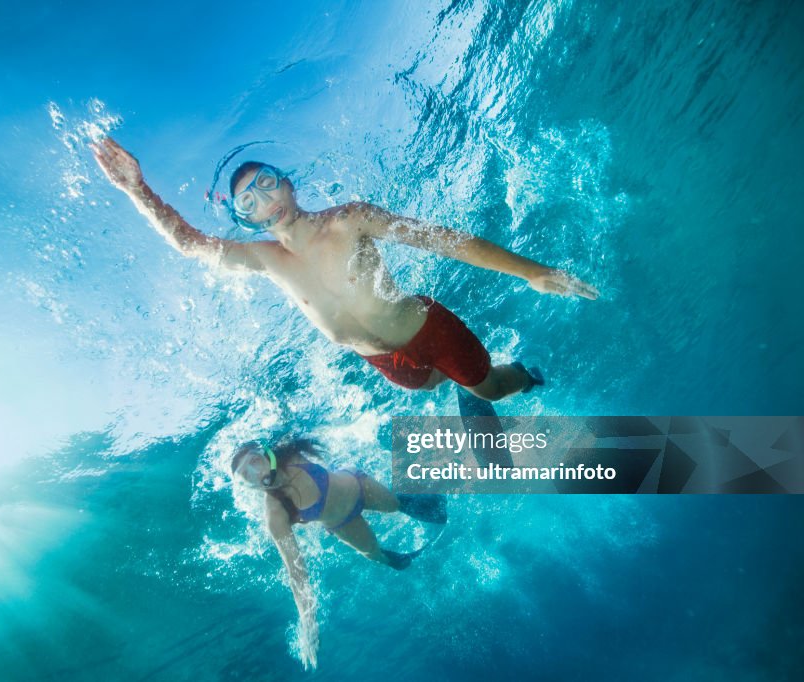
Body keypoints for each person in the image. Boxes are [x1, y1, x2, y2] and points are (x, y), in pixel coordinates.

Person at [91, 137, 599, 400]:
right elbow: (190, 245)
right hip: (385, 363)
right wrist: (138, 191)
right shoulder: (267, 260)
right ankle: (454, 383)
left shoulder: (350, 220)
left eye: (267, 183)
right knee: (429, 387)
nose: (263, 200)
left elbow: (446, 242)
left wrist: (530, 271)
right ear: (243, 220)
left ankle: (525, 378)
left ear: (289, 184)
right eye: (248, 201)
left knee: (486, 387)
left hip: (427, 329)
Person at [228, 437, 447, 668]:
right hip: (343, 522)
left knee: (393, 505)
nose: (254, 471)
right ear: (247, 486)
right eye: (246, 475)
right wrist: (307, 622)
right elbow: (296, 571)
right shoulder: (275, 512)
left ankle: (435, 501)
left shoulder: (289, 454)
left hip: (358, 485)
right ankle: (412, 561)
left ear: (263, 454)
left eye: (253, 461)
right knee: (374, 555)